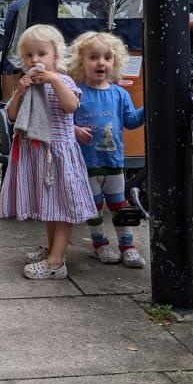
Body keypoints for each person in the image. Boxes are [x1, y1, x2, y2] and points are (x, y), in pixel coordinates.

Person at [0, 24, 96, 280]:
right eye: (29, 55)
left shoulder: (62, 80)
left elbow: (71, 105)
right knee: (51, 208)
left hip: (58, 155)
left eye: (41, 54)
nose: (35, 60)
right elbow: (11, 115)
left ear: (55, 56)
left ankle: (56, 262)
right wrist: (20, 91)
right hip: (37, 153)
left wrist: (53, 80)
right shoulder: (26, 84)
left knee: (63, 208)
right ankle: (53, 250)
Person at [68, 31, 146, 268]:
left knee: (118, 205)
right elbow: (62, 121)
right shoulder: (76, 92)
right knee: (94, 207)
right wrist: (74, 130)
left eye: (107, 58)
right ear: (81, 62)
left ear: (115, 62)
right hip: (87, 163)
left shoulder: (119, 94)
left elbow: (131, 121)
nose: (101, 62)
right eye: (93, 57)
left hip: (113, 162)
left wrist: (150, 106)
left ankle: (128, 246)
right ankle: (100, 244)